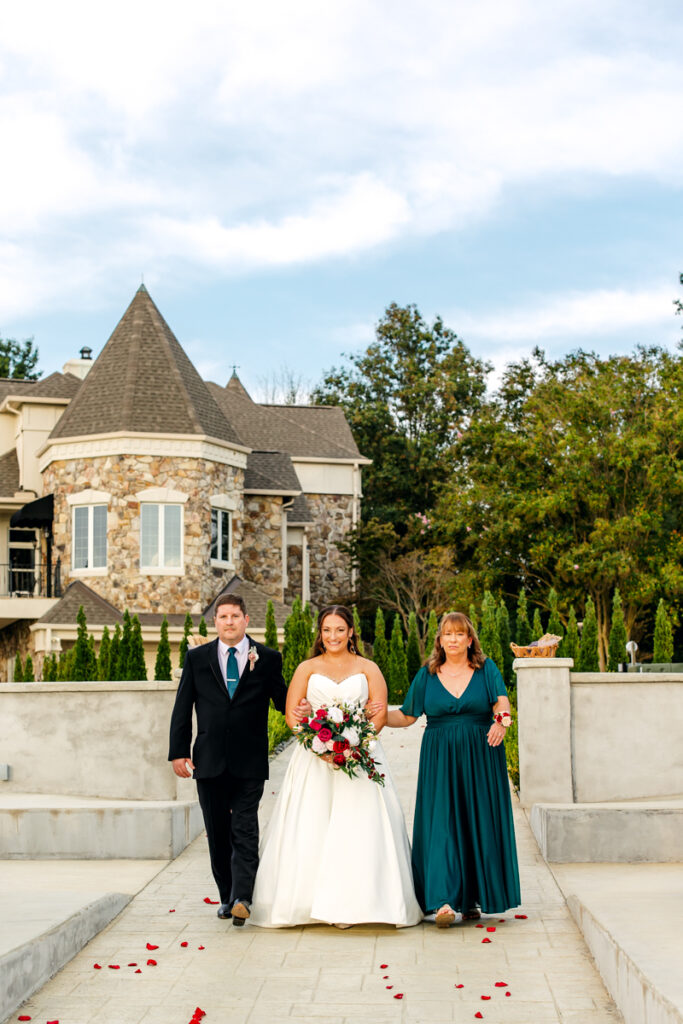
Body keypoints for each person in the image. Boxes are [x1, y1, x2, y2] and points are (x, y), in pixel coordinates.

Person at [250, 605, 422, 929]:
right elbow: (292, 716)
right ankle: (305, 903)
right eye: (327, 630)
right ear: (320, 633)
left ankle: (362, 904)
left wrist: (353, 747)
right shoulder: (306, 668)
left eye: (340, 630)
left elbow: (380, 715)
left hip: (361, 759)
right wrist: (320, 747)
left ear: (351, 632)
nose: (333, 636)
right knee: (311, 825)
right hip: (313, 761)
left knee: (360, 826)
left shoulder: (368, 667)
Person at [381, 611, 520, 927]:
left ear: (470, 640)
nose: (454, 639)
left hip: (481, 755)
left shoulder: (486, 670)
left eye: (460, 634)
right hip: (440, 757)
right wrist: (373, 716)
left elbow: (502, 702)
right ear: (440, 641)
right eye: (448, 634)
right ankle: (443, 901)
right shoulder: (427, 675)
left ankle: (472, 898)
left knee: (477, 821)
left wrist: (502, 723)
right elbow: (406, 715)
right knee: (442, 824)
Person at [168, 593, 288, 927]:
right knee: (218, 832)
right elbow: (183, 707)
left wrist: (307, 714)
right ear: (215, 622)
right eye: (223, 617)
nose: (230, 622)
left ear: (246, 620)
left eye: (235, 616)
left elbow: (282, 700)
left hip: (250, 760)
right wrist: (178, 751)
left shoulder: (266, 658)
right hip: (208, 760)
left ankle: (243, 897)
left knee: (245, 828)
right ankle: (226, 896)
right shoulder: (197, 659)